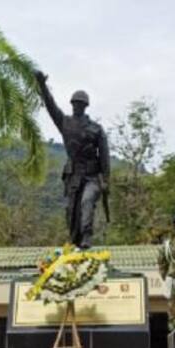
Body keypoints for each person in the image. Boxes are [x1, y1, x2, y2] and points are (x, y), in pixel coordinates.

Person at [34, 70, 110, 248]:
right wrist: (42, 85)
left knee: (87, 202)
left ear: (85, 106)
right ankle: (75, 241)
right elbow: (50, 106)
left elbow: (105, 157)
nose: (77, 106)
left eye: (80, 104)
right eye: (75, 103)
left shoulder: (96, 129)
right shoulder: (65, 123)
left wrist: (106, 180)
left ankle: (86, 236)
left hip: (92, 176)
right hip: (73, 176)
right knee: (71, 211)